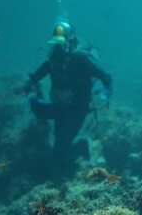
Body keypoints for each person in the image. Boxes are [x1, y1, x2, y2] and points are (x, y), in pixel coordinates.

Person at [24, 21, 112, 171]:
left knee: (59, 151)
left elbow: (106, 77)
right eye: (55, 44)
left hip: (77, 110)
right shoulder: (53, 60)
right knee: (36, 106)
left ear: (69, 42)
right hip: (59, 106)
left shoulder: (81, 58)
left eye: (61, 44)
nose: (58, 48)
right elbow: (34, 77)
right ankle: (65, 151)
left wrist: (104, 95)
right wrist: (27, 87)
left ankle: (80, 147)